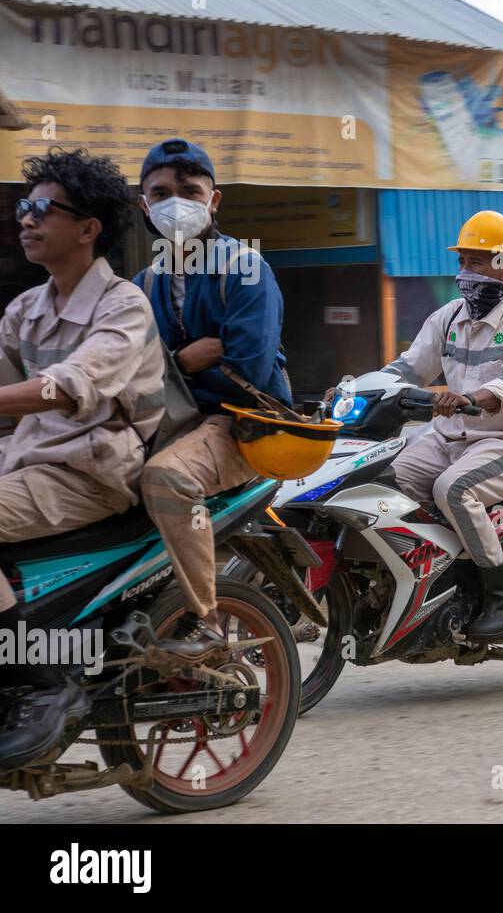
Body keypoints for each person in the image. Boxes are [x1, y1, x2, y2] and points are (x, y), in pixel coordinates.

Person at [0, 147, 164, 770]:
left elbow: (69, 385)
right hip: (28, 460)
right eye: (24, 207)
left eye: (44, 209)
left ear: (88, 228)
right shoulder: (26, 309)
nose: (28, 219)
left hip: (90, 473)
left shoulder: (122, 305)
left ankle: (43, 684)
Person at [132, 138, 292, 659]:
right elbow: (132, 370)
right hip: (171, 422)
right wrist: (186, 361)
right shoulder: (144, 283)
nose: (175, 202)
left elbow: (247, 367)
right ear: (144, 205)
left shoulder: (246, 270)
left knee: (168, 478)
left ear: (214, 200)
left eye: (189, 191)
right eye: (161, 192)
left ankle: (205, 620)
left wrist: (170, 368)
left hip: (241, 424)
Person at [380, 210, 503, 640]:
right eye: (463, 262)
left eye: (477, 262)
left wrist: (470, 398)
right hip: (449, 437)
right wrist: (354, 390)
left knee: (453, 489)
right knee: (385, 485)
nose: (466, 273)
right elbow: (406, 368)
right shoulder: (447, 317)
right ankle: (427, 580)